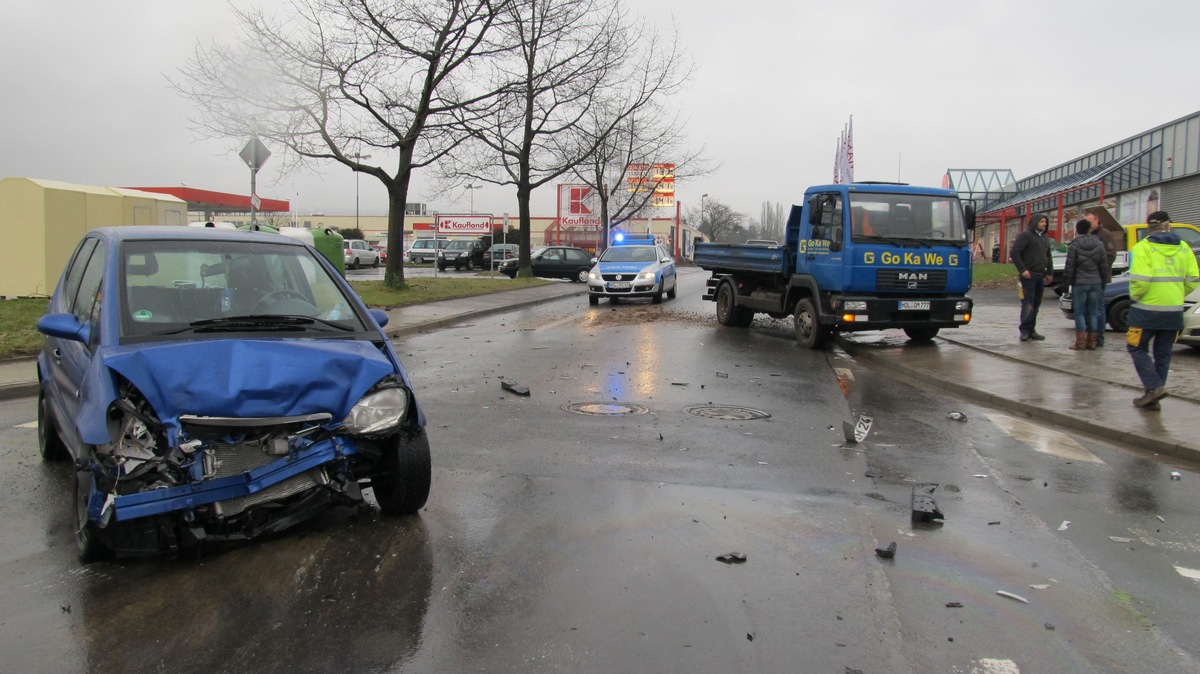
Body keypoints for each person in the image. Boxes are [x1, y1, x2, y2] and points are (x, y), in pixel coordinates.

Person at [1125, 211, 1200, 410]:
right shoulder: (1184, 248)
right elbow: (1193, 280)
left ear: (1149, 227)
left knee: (1136, 348)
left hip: (1145, 311)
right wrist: (1176, 294)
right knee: (1163, 354)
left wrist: (1135, 297)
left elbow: (1140, 281)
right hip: (1173, 311)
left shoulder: (1142, 248)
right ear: (1168, 226)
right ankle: (1153, 396)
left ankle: (1154, 387)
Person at [1063, 219, 1110, 350]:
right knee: (1093, 312)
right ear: (1090, 229)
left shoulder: (1074, 245)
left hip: (1080, 282)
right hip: (1095, 282)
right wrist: (1103, 280)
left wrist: (1066, 284)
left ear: (1077, 230)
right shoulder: (1099, 244)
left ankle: (1080, 342)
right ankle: (1093, 341)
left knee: (1080, 313)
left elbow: (1070, 266)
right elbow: (1104, 265)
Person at [1009, 213, 1055, 341]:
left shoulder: (1044, 238)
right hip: (1028, 275)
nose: (1044, 224)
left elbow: (1048, 256)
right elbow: (1014, 252)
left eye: (1045, 222)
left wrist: (1050, 272)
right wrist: (1023, 270)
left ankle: (1032, 330)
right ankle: (1024, 330)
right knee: (1028, 303)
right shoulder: (1026, 236)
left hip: (1040, 275)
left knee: (1036, 304)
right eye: (1042, 222)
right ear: (1035, 222)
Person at [1085, 209, 1118, 345]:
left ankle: (1099, 337)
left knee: (1098, 307)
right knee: (1089, 307)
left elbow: (1110, 256)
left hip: (1099, 277)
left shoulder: (1105, 235)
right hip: (1087, 277)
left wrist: (1100, 271)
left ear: (1096, 221)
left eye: (1089, 221)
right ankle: (1090, 334)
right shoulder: (1085, 235)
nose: (1087, 224)